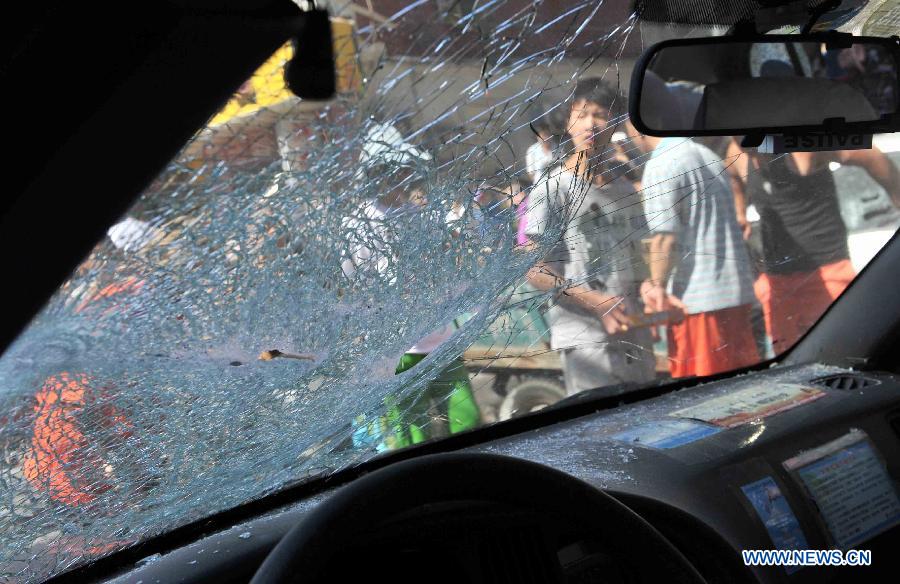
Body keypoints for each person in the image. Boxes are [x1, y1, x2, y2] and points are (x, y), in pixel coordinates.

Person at [342, 122, 480, 452]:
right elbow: (348, 288)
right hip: (396, 349)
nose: (402, 178)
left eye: (406, 169)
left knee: (468, 422)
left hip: (440, 339)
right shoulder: (359, 224)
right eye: (395, 171)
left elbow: (445, 258)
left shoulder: (420, 215)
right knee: (410, 440)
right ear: (377, 173)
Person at [523, 78, 656, 396]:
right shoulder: (553, 187)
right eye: (581, 115)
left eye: (599, 115)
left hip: (633, 333)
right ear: (567, 122)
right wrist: (596, 303)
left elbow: (637, 254)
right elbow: (533, 268)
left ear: (615, 123)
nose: (590, 125)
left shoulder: (624, 188)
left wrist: (651, 286)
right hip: (585, 340)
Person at [725, 140, 900, 353]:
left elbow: (871, 156)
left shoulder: (801, 150)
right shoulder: (738, 153)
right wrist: (739, 211)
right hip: (778, 283)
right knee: (789, 364)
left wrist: (897, 197)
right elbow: (732, 174)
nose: (744, 145)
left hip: (828, 272)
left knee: (844, 354)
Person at [628, 123, 758, 379]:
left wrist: (656, 287)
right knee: (742, 389)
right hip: (735, 295)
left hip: (697, 304)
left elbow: (664, 236)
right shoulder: (707, 156)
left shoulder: (662, 163)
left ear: (636, 128)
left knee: (705, 397)